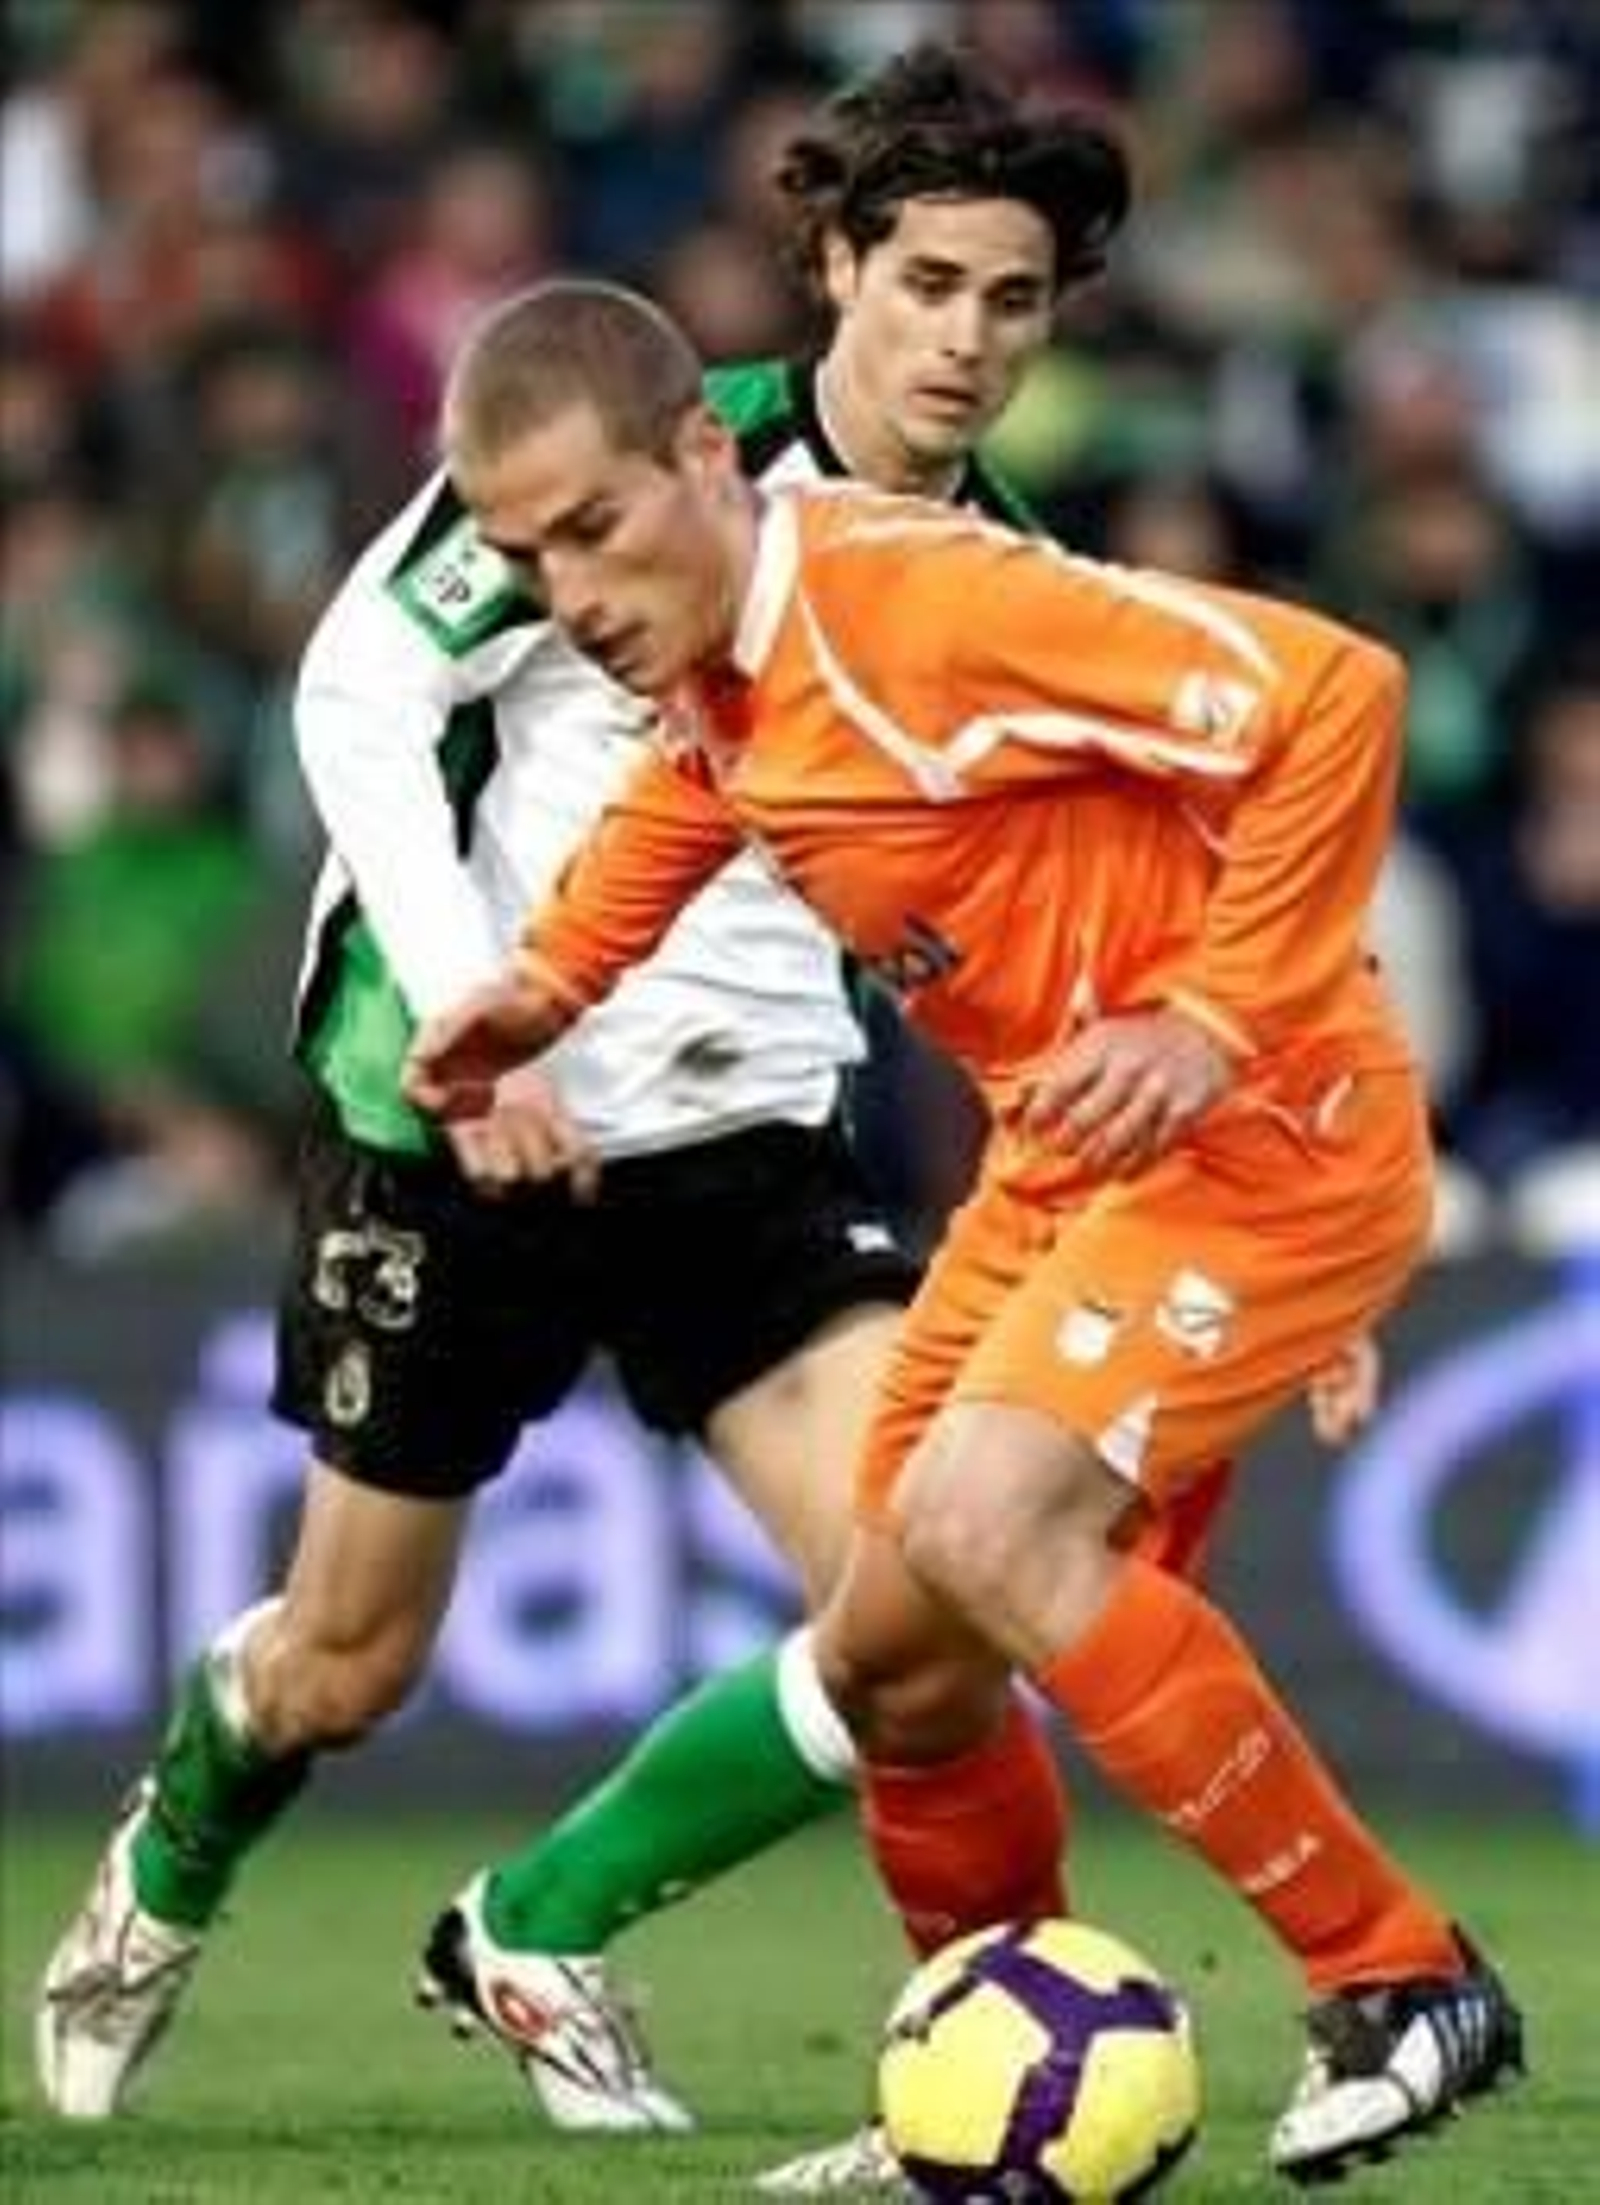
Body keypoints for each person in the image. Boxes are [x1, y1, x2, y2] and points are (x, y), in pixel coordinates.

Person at [34, 45, 1136, 2140]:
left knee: (932, 1613)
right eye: (923, 285)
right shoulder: (634, 447)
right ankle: (179, 1838)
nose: (963, 342)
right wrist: (474, 1016)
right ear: (832, 267)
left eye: (1010, 302)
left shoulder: (1012, 579)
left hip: (746, 1145)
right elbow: (359, 683)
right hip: (459, 1130)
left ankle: (559, 1926)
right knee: (348, 1665)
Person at [401, 277, 1526, 2188]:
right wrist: (545, 987)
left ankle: (1397, 1978)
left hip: (1257, 1132)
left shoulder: (919, 600)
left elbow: (1340, 694)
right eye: (524, 555)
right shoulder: (725, 671)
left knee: (995, 1525)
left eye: (592, 527)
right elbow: (703, 793)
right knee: (893, 1644)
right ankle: (974, 2078)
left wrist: (1211, 1020)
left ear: (703, 454)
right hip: (1072, 1165)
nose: (568, 590)